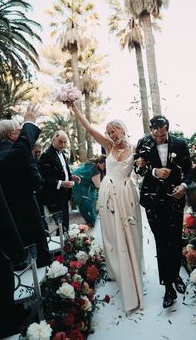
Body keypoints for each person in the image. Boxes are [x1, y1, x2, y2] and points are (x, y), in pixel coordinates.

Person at [65, 100, 144, 313]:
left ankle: (133, 267)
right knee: (110, 233)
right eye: (108, 131)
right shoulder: (108, 147)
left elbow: (146, 167)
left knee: (131, 229)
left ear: (122, 130)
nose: (110, 134)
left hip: (127, 194)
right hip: (108, 194)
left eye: (113, 130)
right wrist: (74, 108)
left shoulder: (136, 149)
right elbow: (89, 128)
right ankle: (116, 270)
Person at [135, 115, 193, 308]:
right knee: (161, 241)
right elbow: (139, 170)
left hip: (175, 198)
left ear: (167, 129)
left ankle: (176, 275)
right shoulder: (143, 143)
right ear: (151, 131)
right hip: (152, 200)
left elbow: (189, 170)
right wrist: (153, 171)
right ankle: (168, 287)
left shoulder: (180, 143)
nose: (158, 138)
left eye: (162, 134)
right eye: (155, 135)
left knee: (175, 239)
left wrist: (184, 186)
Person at [0, 104, 43, 338]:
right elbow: (31, 177)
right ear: (12, 134)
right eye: (18, 129)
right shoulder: (8, 155)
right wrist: (29, 122)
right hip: (15, 232)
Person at [0, 112, 51, 268]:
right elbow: (37, 181)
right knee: (39, 263)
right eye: (19, 130)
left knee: (19, 267)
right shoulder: (19, 155)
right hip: (29, 214)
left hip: (7, 224)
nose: (21, 133)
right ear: (12, 135)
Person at [39, 130, 80, 231]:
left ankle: (64, 243)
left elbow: (63, 171)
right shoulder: (46, 155)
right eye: (60, 142)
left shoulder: (63, 154)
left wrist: (71, 177)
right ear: (54, 140)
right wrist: (61, 183)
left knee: (64, 222)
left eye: (65, 142)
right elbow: (44, 177)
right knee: (61, 223)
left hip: (64, 194)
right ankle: (63, 243)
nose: (63, 145)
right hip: (53, 195)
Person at [72, 155, 106, 228]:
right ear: (99, 163)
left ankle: (91, 222)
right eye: (104, 165)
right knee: (89, 205)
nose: (105, 167)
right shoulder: (95, 170)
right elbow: (98, 185)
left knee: (86, 204)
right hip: (81, 187)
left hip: (79, 184)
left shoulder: (92, 163)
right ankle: (94, 224)